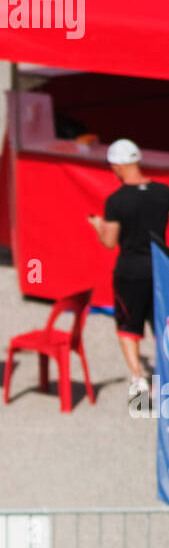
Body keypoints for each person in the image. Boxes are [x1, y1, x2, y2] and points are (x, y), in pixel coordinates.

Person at [88, 138, 169, 405]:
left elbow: (110, 242)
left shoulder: (116, 201)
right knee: (162, 327)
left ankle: (139, 385)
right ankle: (164, 382)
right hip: (160, 268)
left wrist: (98, 225)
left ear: (119, 166)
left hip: (130, 272)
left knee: (128, 328)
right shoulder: (163, 192)